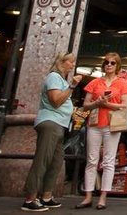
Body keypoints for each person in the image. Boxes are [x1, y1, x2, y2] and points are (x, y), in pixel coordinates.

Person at [21, 53, 83, 212]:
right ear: (62, 62)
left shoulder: (60, 79)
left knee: (55, 162)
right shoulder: (54, 77)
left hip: (59, 125)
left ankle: (46, 196)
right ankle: (30, 199)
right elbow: (55, 101)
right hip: (51, 122)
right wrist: (72, 86)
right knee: (43, 160)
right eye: (70, 61)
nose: (72, 65)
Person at [77, 52, 127, 210]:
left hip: (112, 125)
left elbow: (124, 105)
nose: (109, 65)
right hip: (94, 123)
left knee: (108, 161)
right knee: (91, 160)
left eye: (112, 63)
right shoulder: (95, 82)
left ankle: (103, 196)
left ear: (117, 66)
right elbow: (86, 104)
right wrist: (98, 103)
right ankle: (88, 195)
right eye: (107, 62)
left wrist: (106, 105)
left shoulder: (122, 84)